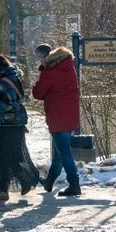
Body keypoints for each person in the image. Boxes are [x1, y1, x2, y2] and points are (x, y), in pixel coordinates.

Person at [0, 54, 41, 201]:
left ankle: (3, 190)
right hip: (17, 122)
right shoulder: (14, 77)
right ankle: (24, 180)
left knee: (1, 157)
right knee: (14, 154)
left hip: (4, 123)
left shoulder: (0, 82)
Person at [32, 43, 83, 197]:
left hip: (57, 116)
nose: (39, 61)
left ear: (44, 57)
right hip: (70, 115)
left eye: (39, 58)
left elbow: (38, 93)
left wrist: (42, 72)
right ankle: (49, 182)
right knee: (60, 153)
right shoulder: (68, 66)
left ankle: (74, 184)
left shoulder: (50, 71)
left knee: (64, 152)